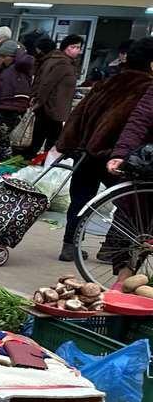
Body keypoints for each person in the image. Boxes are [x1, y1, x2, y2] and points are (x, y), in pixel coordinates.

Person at [57, 37, 153, 262]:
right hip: (117, 154)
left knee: (81, 198)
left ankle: (70, 245)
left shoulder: (110, 81)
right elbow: (139, 125)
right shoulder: (146, 88)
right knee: (128, 202)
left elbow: (79, 114)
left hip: (85, 151)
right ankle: (112, 249)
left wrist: (69, 144)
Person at [32, 34, 82, 155]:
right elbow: (47, 84)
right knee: (50, 140)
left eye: (79, 47)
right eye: (73, 47)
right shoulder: (62, 63)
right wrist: (39, 102)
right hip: (52, 109)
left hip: (52, 108)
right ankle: (42, 162)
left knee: (42, 139)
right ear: (65, 47)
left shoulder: (63, 61)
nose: (77, 50)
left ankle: (38, 160)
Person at [0, 39, 34, 156]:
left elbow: (25, 60)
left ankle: (4, 157)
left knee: (5, 136)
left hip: (9, 107)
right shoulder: (8, 68)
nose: (2, 60)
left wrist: (19, 51)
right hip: (3, 106)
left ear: (12, 56)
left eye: (4, 56)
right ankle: (2, 155)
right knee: (2, 136)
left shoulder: (20, 66)